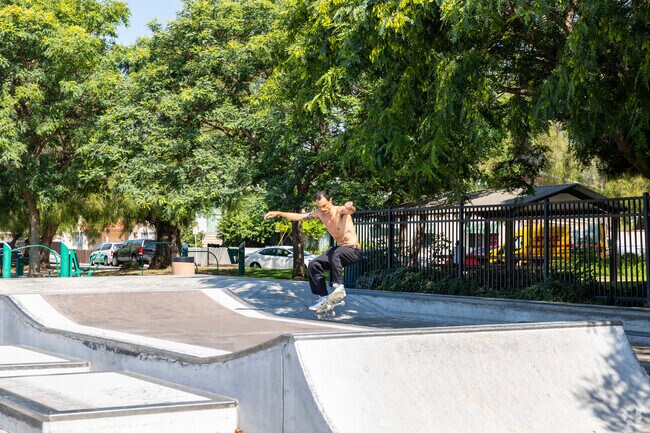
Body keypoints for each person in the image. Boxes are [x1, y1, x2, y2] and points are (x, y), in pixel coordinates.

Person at [264, 190, 363, 311]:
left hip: (353, 251)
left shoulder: (340, 211)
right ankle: (323, 297)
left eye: (324, 206)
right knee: (313, 264)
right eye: (319, 206)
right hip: (339, 252)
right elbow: (299, 217)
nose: (322, 209)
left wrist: (350, 206)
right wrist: (278, 213)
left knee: (334, 251)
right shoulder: (319, 213)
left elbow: (350, 210)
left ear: (330, 200)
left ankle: (339, 286)